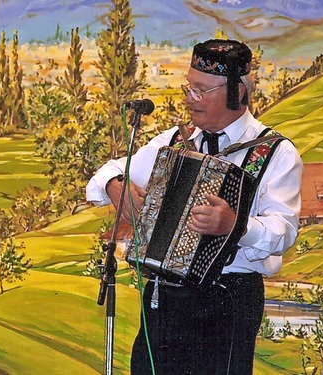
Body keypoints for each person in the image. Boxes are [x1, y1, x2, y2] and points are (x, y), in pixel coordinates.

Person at [86, 39, 303, 374]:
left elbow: (284, 231)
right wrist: (117, 188)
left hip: (229, 297)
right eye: (189, 87)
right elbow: (104, 176)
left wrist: (236, 226)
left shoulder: (275, 152)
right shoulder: (174, 141)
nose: (189, 98)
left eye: (201, 90)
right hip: (164, 294)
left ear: (236, 92)